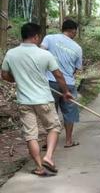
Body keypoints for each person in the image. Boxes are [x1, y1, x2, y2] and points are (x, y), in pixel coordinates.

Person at [1, 23, 73, 176]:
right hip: (44, 100)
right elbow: (58, 75)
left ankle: (40, 167)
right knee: (53, 127)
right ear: (35, 36)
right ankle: (48, 157)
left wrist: (16, 79)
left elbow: (5, 75)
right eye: (39, 36)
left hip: (24, 102)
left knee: (31, 135)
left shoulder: (11, 53)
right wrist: (66, 92)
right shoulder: (44, 54)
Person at [41, 19, 82, 148]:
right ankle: (68, 141)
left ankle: (48, 142)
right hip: (68, 84)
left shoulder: (49, 38)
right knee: (69, 112)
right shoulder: (77, 48)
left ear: (62, 28)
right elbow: (76, 69)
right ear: (73, 31)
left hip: (50, 81)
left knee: (50, 112)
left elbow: (40, 54)